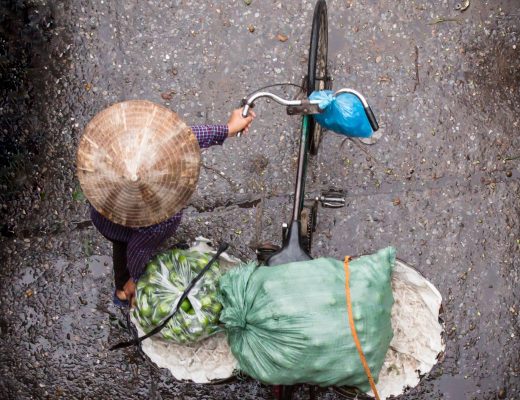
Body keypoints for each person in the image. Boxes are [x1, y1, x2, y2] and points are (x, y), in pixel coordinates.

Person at [90, 108, 255, 307]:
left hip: (103, 217)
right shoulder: (163, 218)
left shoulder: (112, 148)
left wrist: (227, 129)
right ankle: (123, 292)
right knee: (126, 250)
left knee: (125, 242)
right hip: (119, 231)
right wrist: (134, 277)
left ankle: (123, 288)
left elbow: (182, 139)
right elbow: (138, 250)